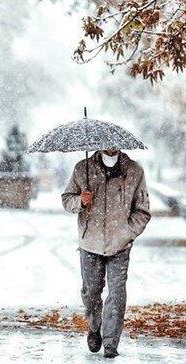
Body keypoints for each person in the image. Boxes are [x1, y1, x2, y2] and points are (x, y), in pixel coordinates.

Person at [62, 149, 151, 358]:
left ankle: (111, 342)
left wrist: (128, 232)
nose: (110, 146)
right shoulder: (82, 169)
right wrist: (80, 201)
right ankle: (94, 327)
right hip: (90, 243)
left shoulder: (134, 171)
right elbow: (67, 199)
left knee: (117, 293)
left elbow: (143, 210)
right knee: (91, 292)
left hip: (120, 245)